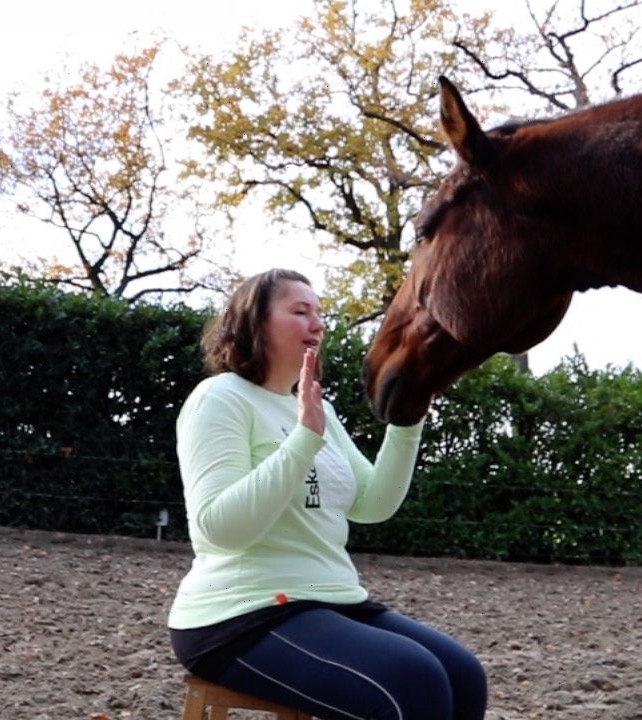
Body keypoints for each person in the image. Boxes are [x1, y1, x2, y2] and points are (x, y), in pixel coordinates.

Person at [167, 268, 488, 720]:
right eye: (300, 311)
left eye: (320, 313)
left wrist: (408, 420)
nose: (317, 323)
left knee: (463, 674)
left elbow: (372, 504)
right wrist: (302, 441)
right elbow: (221, 529)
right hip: (241, 613)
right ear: (253, 322)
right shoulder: (221, 398)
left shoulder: (319, 407)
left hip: (332, 598)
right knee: (414, 680)